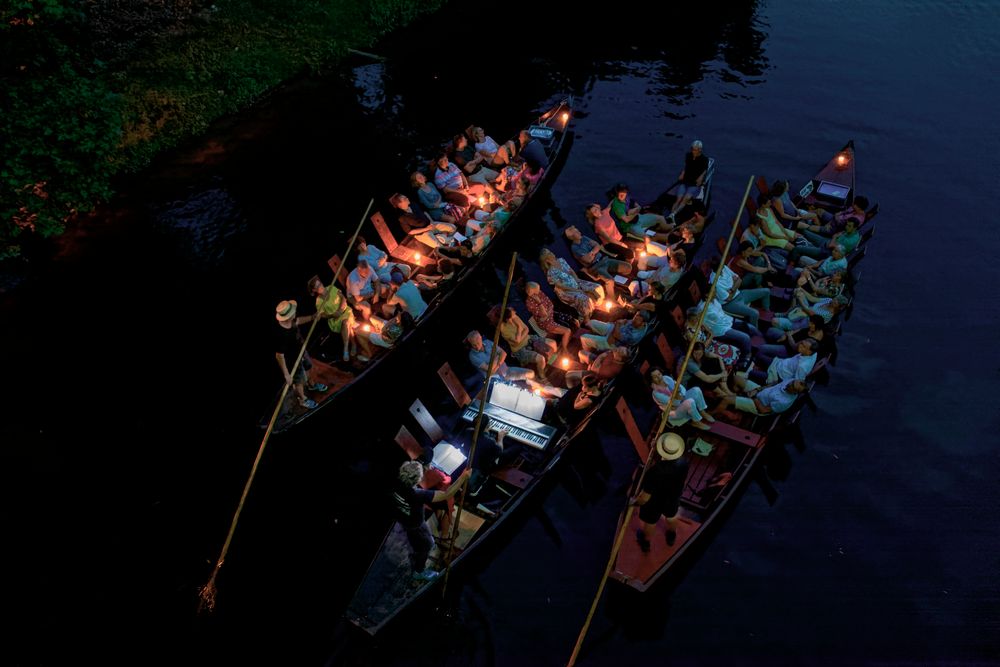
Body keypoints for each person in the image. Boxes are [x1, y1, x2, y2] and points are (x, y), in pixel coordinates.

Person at [393, 461, 471, 581]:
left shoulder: (395, 483)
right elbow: (447, 494)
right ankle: (419, 572)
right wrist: (463, 477)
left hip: (403, 518)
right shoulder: (418, 494)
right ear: (418, 480)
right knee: (427, 545)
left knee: (414, 539)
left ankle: (416, 550)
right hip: (416, 526)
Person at [631, 432, 690, 551]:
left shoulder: (654, 472)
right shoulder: (684, 462)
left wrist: (634, 502)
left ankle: (646, 542)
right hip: (673, 498)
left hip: (654, 502)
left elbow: (644, 498)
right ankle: (671, 535)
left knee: (650, 523)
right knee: (671, 517)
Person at [273, 300, 327, 410]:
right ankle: (303, 399)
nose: (295, 312)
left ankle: (311, 385)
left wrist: (312, 317)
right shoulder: (282, 335)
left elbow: (298, 321)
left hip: (302, 351)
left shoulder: (291, 321)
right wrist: (286, 374)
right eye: (293, 312)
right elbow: (279, 356)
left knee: (308, 366)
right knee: (299, 380)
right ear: (287, 317)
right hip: (292, 360)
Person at [539, 248, 603, 321]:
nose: (551, 253)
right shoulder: (550, 273)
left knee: (597, 287)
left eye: (550, 251)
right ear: (546, 260)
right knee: (583, 298)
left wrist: (578, 282)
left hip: (575, 281)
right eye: (548, 253)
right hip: (566, 291)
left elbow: (571, 271)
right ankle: (587, 317)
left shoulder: (561, 260)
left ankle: (597, 306)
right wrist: (576, 289)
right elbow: (561, 286)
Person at [464, 426, 523, 496]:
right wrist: (500, 438)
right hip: (489, 466)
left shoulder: (469, 433)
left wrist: (485, 433)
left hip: (476, 461)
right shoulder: (488, 443)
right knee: (518, 447)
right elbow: (499, 454)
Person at [308, 277, 355, 363]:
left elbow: (343, 298)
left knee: (345, 322)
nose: (320, 287)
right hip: (335, 320)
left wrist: (340, 310)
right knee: (347, 325)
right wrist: (332, 315)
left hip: (345, 312)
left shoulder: (331, 288)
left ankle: (345, 348)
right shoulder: (318, 301)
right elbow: (322, 315)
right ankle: (354, 345)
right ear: (314, 290)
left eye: (320, 284)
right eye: (317, 286)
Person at [649, 368, 714, 430]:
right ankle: (696, 422)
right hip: (674, 411)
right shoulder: (656, 393)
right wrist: (679, 394)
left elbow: (681, 387)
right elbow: (674, 403)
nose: (659, 377)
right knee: (690, 402)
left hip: (680, 399)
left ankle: (702, 412)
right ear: (652, 380)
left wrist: (681, 394)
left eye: (659, 374)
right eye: (655, 377)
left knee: (696, 390)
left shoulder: (666, 378)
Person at [498, 307, 554, 379]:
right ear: (508, 319)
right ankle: (542, 376)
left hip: (529, 338)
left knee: (552, 343)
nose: (515, 314)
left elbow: (526, 329)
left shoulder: (515, 317)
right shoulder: (503, 330)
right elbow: (517, 341)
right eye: (513, 314)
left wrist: (521, 335)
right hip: (520, 349)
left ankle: (549, 366)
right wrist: (519, 328)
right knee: (541, 358)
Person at [712, 378, 807, 419]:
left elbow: (764, 410)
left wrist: (754, 399)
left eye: (792, 386)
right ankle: (735, 397)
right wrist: (757, 389)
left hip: (758, 405)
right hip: (760, 392)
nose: (789, 384)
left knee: (727, 400)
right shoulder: (792, 381)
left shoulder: (783, 402)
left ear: (795, 392)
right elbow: (773, 383)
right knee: (736, 378)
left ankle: (713, 412)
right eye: (791, 382)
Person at [389, 192, 457, 249]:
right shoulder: (402, 217)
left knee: (452, 227)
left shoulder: (413, 204)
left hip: (430, 224)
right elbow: (410, 232)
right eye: (404, 198)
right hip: (422, 233)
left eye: (405, 197)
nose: (407, 198)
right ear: (399, 204)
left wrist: (431, 222)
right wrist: (426, 229)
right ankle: (448, 246)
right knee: (439, 246)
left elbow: (424, 212)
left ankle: (443, 238)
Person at [465, 330, 536, 383]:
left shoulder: (487, 342)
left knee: (531, 373)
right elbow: (490, 370)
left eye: (477, 343)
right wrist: (497, 357)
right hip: (496, 380)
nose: (477, 346)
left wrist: (496, 364)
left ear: (480, 338)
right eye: (474, 345)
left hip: (507, 371)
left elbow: (504, 353)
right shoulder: (472, 356)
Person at [524, 281, 572, 353]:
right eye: (537, 290)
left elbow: (551, 304)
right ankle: (565, 350)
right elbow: (544, 315)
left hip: (551, 316)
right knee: (567, 331)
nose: (539, 291)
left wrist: (548, 313)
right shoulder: (529, 303)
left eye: (539, 289)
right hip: (546, 323)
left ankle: (565, 343)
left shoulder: (540, 293)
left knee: (572, 320)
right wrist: (539, 302)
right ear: (530, 292)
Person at [669, 139, 710, 218]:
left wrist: (700, 178)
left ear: (700, 150)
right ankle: (671, 214)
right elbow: (687, 166)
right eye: (692, 149)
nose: (693, 151)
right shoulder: (688, 155)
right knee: (678, 199)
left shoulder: (704, 159)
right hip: (685, 181)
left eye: (695, 150)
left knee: (685, 199)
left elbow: (704, 170)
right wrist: (682, 173)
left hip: (694, 184)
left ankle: (673, 215)